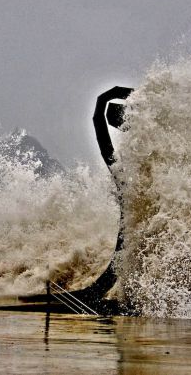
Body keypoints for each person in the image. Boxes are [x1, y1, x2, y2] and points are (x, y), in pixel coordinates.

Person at [70, 86, 133, 304]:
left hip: (132, 224)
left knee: (120, 262)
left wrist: (107, 96)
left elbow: (101, 118)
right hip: (132, 224)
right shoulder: (123, 169)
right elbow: (101, 120)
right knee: (118, 265)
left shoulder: (122, 167)